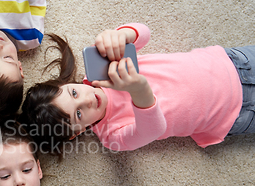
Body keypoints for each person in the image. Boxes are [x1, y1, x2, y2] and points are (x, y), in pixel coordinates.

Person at [19, 23, 255, 153]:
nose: (87, 100)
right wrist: (140, 92)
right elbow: (151, 130)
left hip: (229, 62)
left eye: (73, 93)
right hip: (234, 113)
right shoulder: (112, 137)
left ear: (68, 83)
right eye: (79, 113)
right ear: (78, 131)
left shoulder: (99, 66)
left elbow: (144, 33)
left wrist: (121, 35)